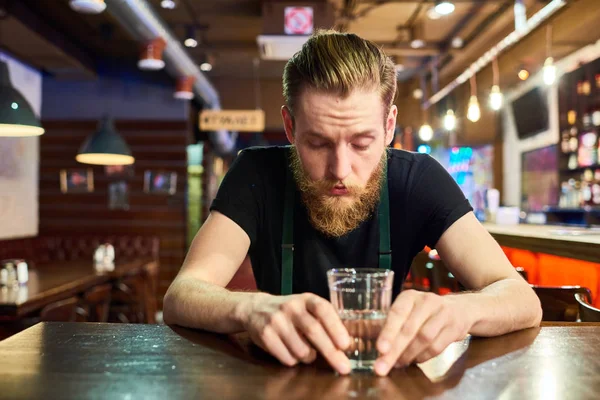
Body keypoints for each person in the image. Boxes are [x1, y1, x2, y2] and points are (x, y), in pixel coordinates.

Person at [163, 30, 542, 377]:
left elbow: (521, 298)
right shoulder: (257, 173)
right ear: (291, 126)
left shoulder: (417, 180)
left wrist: (459, 311)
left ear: (389, 125)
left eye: (361, 143)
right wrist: (248, 309)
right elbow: (183, 293)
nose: (340, 169)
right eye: (318, 143)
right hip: (276, 381)